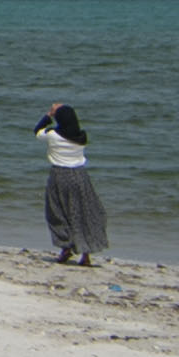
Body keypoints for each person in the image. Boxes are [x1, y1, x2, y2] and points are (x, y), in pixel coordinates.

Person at [37, 104, 110, 265]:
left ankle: (66, 248)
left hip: (59, 175)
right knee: (84, 213)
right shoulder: (81, 137)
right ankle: (86, 254)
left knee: (58, 212)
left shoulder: (52, 135)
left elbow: (38, 130)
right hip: (80, 176)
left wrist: (48, 115)